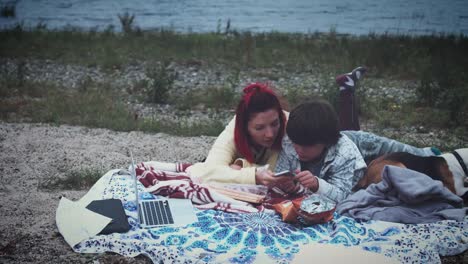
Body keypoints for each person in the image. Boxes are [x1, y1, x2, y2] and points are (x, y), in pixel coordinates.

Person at [186, 82, 292, 188]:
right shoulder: (233, 131)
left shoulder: (291, 125)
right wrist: (254, 176)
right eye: (259, 128)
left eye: (274, 124)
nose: (270, 134)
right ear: (244, 127)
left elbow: (281, 171)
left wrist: (241, 166)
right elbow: (209, 172)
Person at [275, 99, 367, 203]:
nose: (299, 150)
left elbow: (342, 196)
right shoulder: (290, 140)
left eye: (307, 146)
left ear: (326, 142)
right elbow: (280, 173)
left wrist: (316, 184)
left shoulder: (344, 154)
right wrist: (288, 185)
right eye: (295, 143)